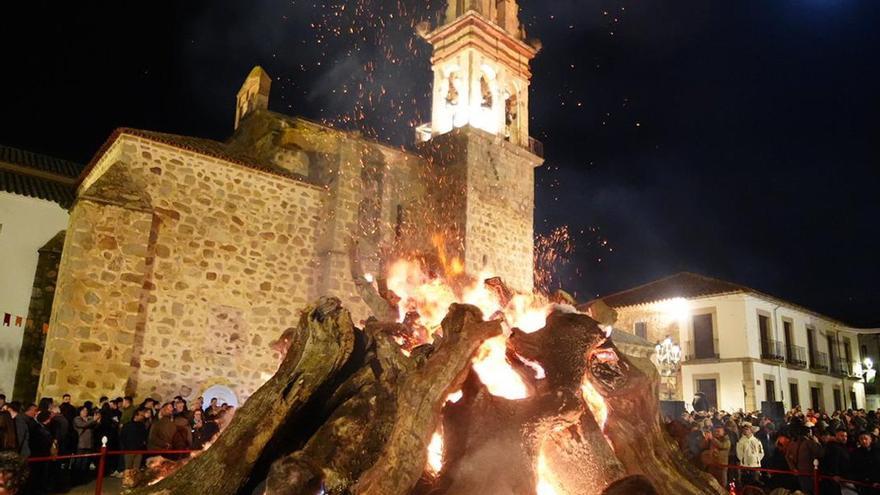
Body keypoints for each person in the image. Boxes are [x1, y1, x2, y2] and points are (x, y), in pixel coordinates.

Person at [784, 423, 824, 494]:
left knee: (805, 491)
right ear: (808, 432)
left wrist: (793, 468)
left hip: (799, 472)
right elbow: (821, 453)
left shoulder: (793, 442)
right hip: (810, 473)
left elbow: (787, 456)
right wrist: (817, 442)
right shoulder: (809, 442)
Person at [72, 406, 98, 483]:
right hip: (81, 444)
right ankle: (76, 478)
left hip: (89, 444)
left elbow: (94, 428)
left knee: (86, 462)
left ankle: (83, 478)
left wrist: (97, 421)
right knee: (78, 462)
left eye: (86, 410)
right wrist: (93, 420)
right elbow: (83, 425)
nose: (85, 412)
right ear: (79, 412)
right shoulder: (77, 419)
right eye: (83, 410)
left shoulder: (90, 419)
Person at [120, 407, 148, 477]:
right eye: (141, 415)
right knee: (128, 469)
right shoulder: (127, 425)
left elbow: (144, 436)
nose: (143, 417)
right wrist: (124, 447)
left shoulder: (142, 425)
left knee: (136, 469)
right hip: (129, 450)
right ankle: (127, 482)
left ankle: (134, 482)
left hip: (138, 450)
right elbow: (122, 437)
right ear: (136, 415)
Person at [704, 424, 732, 489]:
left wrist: (712, 439)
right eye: (715, 431)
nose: (717, 433)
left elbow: (722, 446)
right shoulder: (714, 439)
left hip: (722, 465)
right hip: (713, 463)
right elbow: (704, 447)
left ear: (723, 432)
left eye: (718, 431)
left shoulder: (726, 440)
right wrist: (705, 439)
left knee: (722, 482)